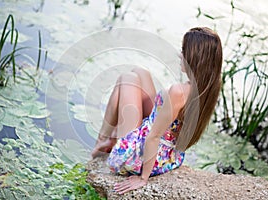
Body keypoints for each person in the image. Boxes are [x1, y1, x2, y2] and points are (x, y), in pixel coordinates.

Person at [91, 27, 223, 194]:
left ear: (194, 58)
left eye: (183, 51)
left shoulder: (179, 92)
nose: (179, 55)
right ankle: (109, 139)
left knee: (127, 79)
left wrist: (143, 178)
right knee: (141, 72)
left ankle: (104, 141)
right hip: (170, 152)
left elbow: (153, 137)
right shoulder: (207, 88)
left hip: (143, 154)